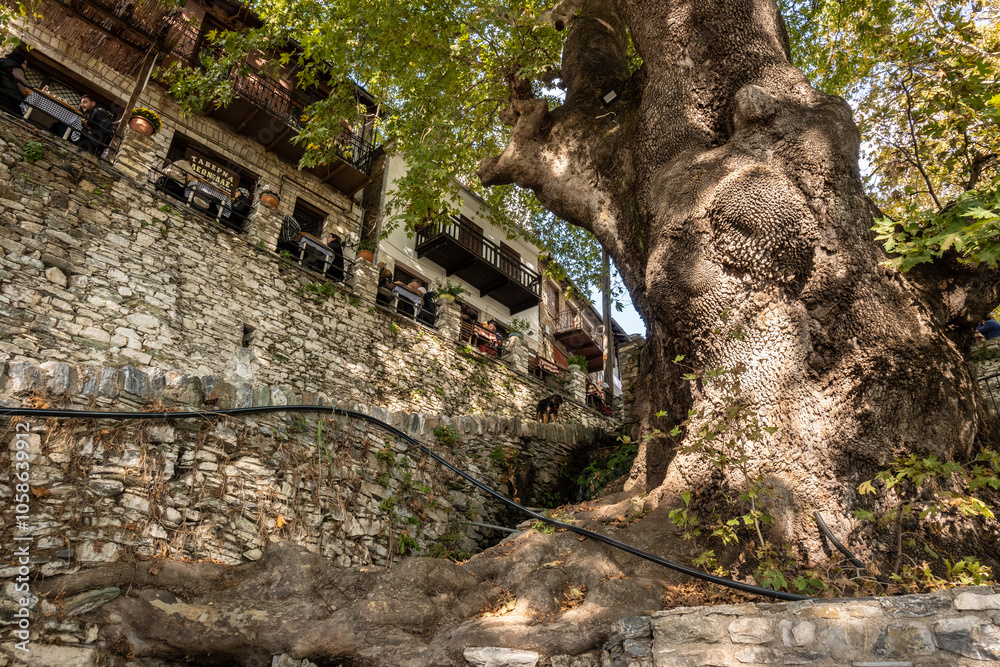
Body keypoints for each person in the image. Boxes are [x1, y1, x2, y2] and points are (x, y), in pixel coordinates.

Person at [0, 52, 29, 116]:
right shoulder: (17, 69)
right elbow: (21, 87)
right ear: (19, 60)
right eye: (24, 63)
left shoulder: (2, 62)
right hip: (9, 97)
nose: (25, 67)